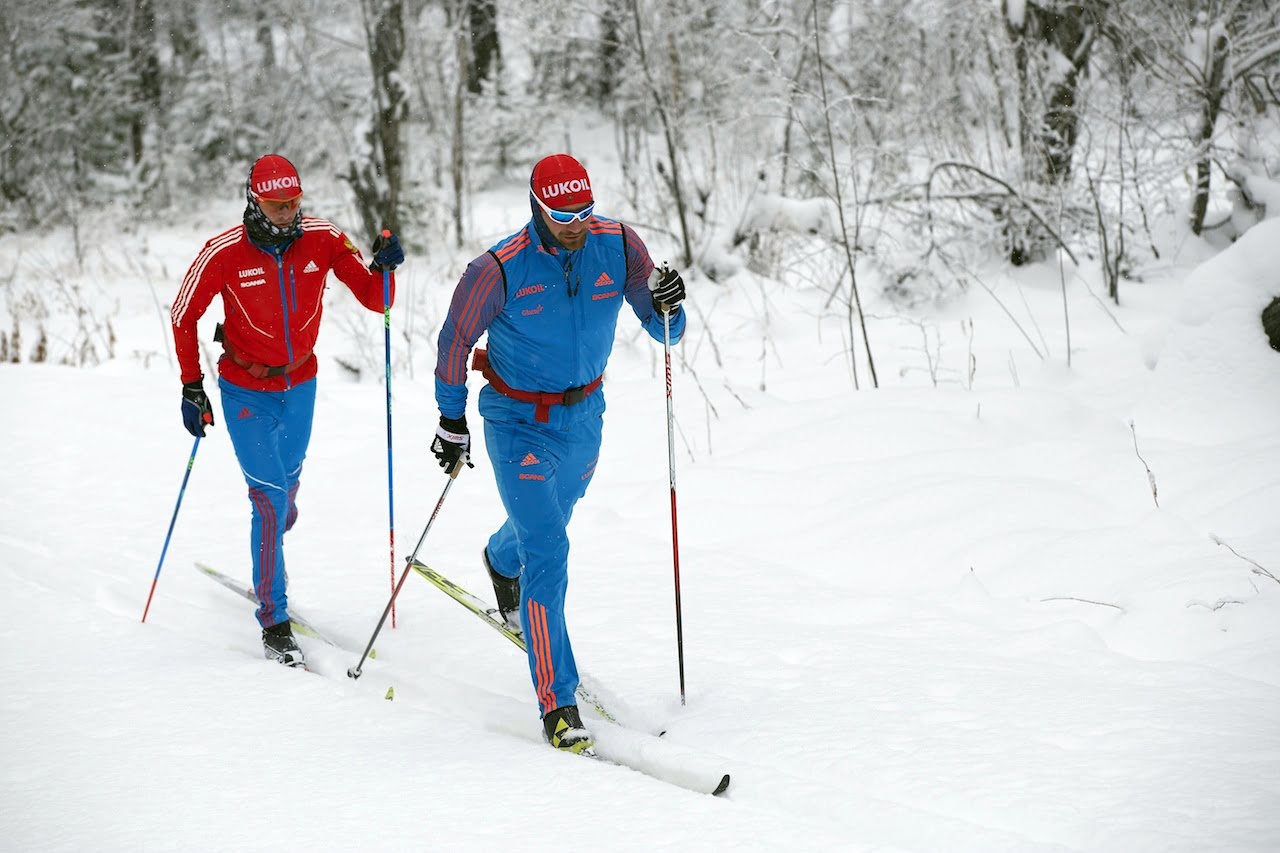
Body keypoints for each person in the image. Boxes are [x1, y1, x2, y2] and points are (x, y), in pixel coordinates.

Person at [431, 153, 687, 753]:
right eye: (561, 212)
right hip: (516, 419)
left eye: (584, 210)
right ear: (536, 206)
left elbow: (666, 331)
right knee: (549, 546)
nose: (575, 222)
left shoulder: (619, 245)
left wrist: (672, 303)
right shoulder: (499, 268)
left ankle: (500, 558)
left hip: (584, 418)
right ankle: (558, 702)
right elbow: (454, 340)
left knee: (547, 522)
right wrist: (450, 418)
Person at [171, 154, 405, 667]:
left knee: (288, 491)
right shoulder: (223, 253)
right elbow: (183, 313)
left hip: (301, 384)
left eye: (294, 203)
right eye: (278, 205)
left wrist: (384, 268)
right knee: (271, 499)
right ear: (255, 201)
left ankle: (268, 540)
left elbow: (375, 299)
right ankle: (274, 619)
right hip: (243, 389)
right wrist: (192, 384)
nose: (288, 213)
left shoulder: (322, 238)